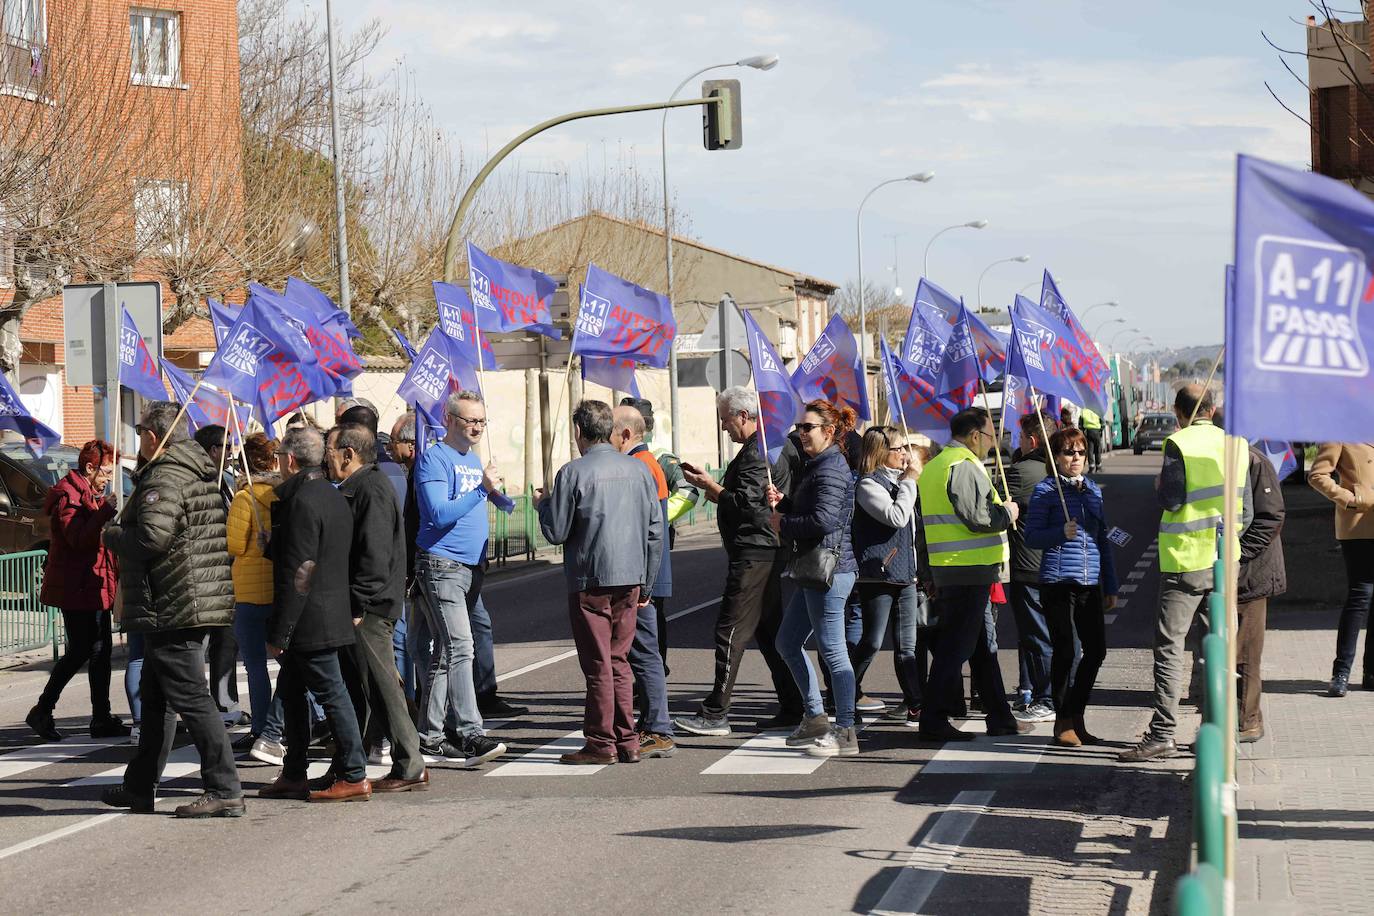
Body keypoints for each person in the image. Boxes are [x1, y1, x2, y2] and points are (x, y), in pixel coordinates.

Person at [100, 401, 244, 818]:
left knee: (192, 699)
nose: (138, 437)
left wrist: (113, 534)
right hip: (184, 597)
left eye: (141, 429)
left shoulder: (165, 476)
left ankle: (224, 788)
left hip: (175, 601)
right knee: (157, 697)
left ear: (152, 436)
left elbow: (151, 538)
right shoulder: (195, 471)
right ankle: (140, 787)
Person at [1119, 384, 1249, 762]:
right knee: (1218, 647)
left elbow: (1172, 498)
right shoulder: (1236, 445)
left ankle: (1162, 733)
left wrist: (1160, 486)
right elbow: (1249, 511)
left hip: (1186, 561)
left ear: (1180, 412)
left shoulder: (1179, 443)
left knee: (1171, 648)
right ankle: (1220, 732)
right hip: (1226, 561)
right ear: (1211, 408)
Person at [536, 400, 662, 765]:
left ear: (579, 432)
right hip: (631, 577)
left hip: (591, 578)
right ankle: (627, 740)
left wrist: (542, 505)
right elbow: (655, 532)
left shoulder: (573, 472)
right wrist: (648, 584)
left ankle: (601, 742)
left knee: (598, 665)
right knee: (619, 660)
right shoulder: (639, 471)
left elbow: (556, 531)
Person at [673, 387, 802, 736]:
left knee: (730, 631)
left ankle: (716, 713)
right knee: (770, 632)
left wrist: (711, 486)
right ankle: (794, 705)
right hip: (766, 549)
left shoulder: (759, 452)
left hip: (755, 551)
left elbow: (751, 508)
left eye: (726, 421)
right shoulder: (770, 446)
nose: (724, 428)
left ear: (743, 416)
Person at [257, 426, 369, 803]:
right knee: (290, 693)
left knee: (331, 692)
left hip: (311, 617)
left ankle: (353, 773)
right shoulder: (331, 495)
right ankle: (294, 772)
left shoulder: (303, 499)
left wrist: (280, 631)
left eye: (280, 459)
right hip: (327, 610)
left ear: (290, 460)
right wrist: (274, 546)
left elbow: (301, 572)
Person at [916, 407, 1030, 741]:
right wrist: (1007, 513)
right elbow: (979, 516)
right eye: (992, 437)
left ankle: (1000, 717)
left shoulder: (936, 465)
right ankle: (934, 720)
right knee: (956, 648)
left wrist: (927, 570)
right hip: (967, 569)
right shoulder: (962, 466)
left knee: (982, 649)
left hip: (953, 567)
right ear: (976, 436)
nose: (993, 445)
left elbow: (924, 528)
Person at [326, 423, 429, 792]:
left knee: (383, 684)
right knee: (368, 685)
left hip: (371, 606)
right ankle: (380, 760)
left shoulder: (369, 488)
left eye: (331, 452)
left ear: (349, 455)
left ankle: (409, 763)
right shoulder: (364, 486)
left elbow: (374, 552)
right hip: (368, 602)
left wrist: (359, 601)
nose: (328, 459)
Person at [413, 391, 507, 767]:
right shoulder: (434, 458)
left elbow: (474, 500)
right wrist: (481, 490)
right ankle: (470, 733)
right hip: (442, 565)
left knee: (445, 653)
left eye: (482, 421)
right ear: (450, 419)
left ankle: (430, 737)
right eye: (470, 420)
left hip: (470, 567)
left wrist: (500, 496)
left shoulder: (472, 458)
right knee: (461, 647)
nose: (478, 427)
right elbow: (437, 512)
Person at [766, 399, 861, 758]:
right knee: (787, 642)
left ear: (829, 431)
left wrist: (783, 523)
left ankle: (846, 729)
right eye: (799, 428)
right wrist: (787, 504)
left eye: (807, 428)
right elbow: (816, 511)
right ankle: (816, 716)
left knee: (834, 653)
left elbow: (822, 521)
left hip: (829, 572)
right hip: (814, 569)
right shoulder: (817, 465)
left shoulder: (831, 468)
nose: (800, 434)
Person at [1023, 427, 1118, 747]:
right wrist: (1060, 533)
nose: (1075, 458)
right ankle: (1062, 720)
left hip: (1090, 583)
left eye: (1080, 452)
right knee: (1067, 651)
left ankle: (1076, 715)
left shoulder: (1093, 490)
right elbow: (1032, 536)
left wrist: (1111, 585)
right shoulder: (1046, 491)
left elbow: (1102, 539)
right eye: (1068, 452)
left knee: (1097, 651)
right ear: (1056, 458)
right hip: (1057, 582)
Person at [27, 440, 127, 742]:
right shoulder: (68, 495)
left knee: (101, 651)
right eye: (106, 471)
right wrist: (105, 512)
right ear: (89, 468)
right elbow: (77, 539)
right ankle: (43, 709)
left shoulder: (89, 493)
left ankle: (100, 716)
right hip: (75, 585)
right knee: (82, 650)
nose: (109, 477)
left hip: (93, 583)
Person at [850, 425, 930, 726]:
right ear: (881, 452)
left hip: (906, 575)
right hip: (878, 575)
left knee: (906, 646)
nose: (905, 454)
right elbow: (896, 517)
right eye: (898, 449)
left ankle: (916, 704)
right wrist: (910, 481)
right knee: (871, 641)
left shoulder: (901, 481)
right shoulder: (868, 485)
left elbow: (912, 530)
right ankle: (844, 691)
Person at [610, 405, 676, 759]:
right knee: (644, 653)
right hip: (648, 574)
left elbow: (648, 529)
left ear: (625, 435)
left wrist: (645, 585)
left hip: (641, 577)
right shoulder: (647, 464)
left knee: (644, 654)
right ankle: (653, 724)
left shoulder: (642, 467)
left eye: (611, 431)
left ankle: (657, 728)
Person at [619, 396, 698, 672]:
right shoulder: (622, 457)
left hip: (655, 544)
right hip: (633, 549)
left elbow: (689, 492)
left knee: (652, 614)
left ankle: (654, 669)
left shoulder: (661, 457)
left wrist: (660, 518)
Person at [225, 432, 282, 755]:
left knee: (255, 666)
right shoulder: (283, 494)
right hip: (277, 585)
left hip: (248, 589)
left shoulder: (244, 498)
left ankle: (261, 725)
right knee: (289, 663)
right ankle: (308, 717)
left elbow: (233, 544)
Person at [1307, 442, 1374, 697]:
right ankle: (1341, 672)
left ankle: (1371, 672)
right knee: (1361, 595)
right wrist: (1349, 498)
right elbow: (1317, 475)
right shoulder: (1342, 430)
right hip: (1358, 524)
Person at [1004, 412, 1056, 722]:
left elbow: (997, 508)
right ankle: (1047, 694)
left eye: (1021, 438)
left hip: (1029, 564)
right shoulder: (1058, 469)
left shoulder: (1022, 472)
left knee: (1037, 635)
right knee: (1054, 633)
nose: (1018, 443)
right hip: (1058, 566)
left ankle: (1045, 698)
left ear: (1033, 441)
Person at [1235, 438, 1286, 740]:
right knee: (1238, 649)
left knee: (1246, 652)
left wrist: (1238, 553)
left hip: (1252, 572)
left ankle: (1247, 722)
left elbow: (1271, 516)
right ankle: (1242, 719)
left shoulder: (1253, 461)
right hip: (1242, 570)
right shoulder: (1235, 459)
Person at [194, 423, 242, 728]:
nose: (231, 454)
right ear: (213, 451)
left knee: (227, 642)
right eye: (226, 448)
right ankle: (200, 709)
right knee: (200, 645)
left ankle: (225, 704)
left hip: (227, 576)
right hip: (205, 577)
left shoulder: (225, 481)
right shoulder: (198, 484)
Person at [1079, 407, 1104, 473]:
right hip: (1096, 431)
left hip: (1088, 431)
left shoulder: (1084, 411)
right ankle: (1098, 467)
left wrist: (1083, 431)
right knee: (1097, 449)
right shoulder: (1098, 410)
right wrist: (1101, 430)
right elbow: (1102, 422)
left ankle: (1091, 467)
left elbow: (1080, 424)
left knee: (1090, 450)